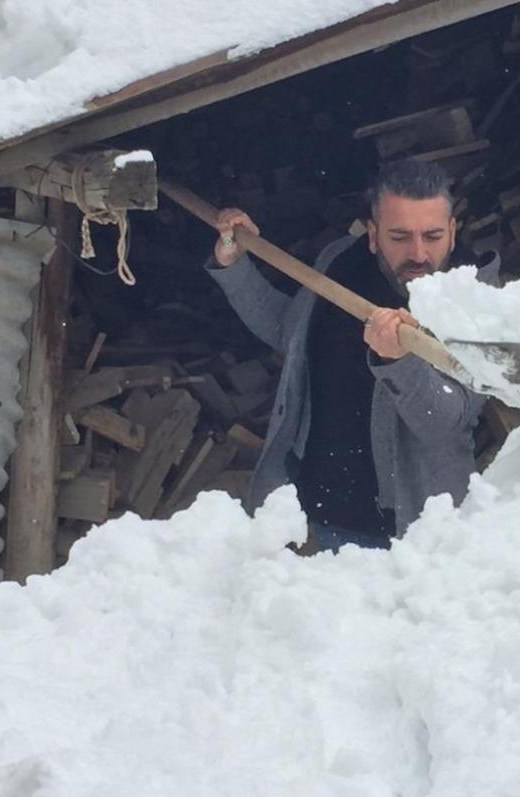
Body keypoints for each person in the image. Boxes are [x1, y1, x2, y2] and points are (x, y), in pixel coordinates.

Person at [205, 159, 497, 551]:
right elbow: (286, 333)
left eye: (432, 236)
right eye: (399, 237)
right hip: (318, 514)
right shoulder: (340, 263)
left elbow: (446, 421)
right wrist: (235, 265)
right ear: (373, 235)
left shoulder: (476, 299)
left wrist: (398, 361)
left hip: (413, 535)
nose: (418, 254)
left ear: (452, 230)